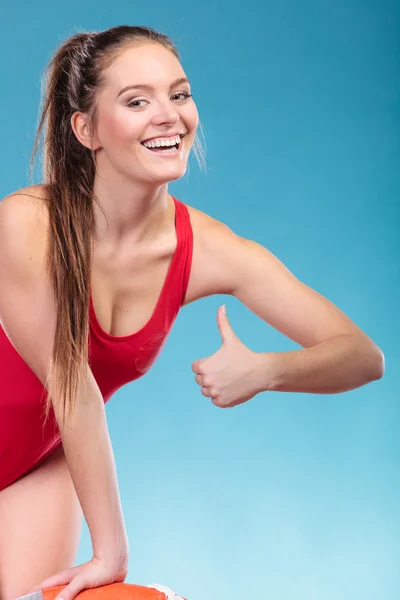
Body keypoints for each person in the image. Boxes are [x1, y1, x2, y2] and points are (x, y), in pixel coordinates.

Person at [0, 24, 384, 600]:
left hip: (38, 464)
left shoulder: (209, 249)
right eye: (137, 101)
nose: (169, 115)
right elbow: (72, 383)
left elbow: (363, 356)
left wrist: (269, 370)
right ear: (86, 129)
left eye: (179, 94)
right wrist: (113, 551)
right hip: (56, 431)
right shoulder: (27, 225)